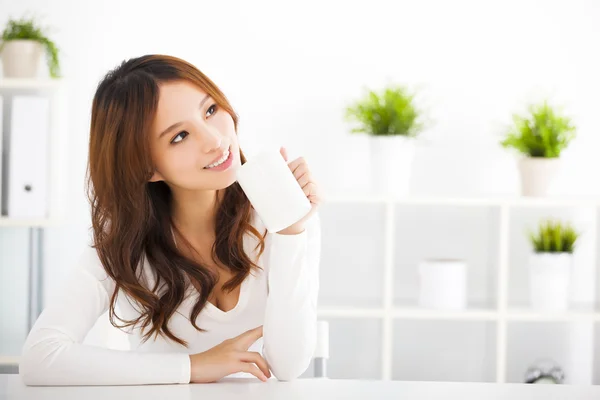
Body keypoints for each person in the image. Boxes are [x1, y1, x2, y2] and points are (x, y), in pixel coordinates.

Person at [19, 55, 322, 386]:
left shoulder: (278, 212)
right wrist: (193, 367)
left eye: (210, 110)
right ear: (147, 166)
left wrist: (292, 231)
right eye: (180, 136)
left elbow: (289, 365)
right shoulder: (125, 243)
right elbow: (40, 357)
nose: (215, 140)